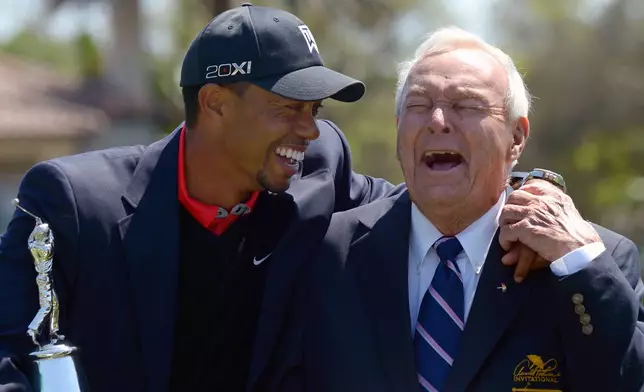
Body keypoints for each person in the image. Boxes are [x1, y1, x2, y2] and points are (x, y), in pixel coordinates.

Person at [0, 5, 566, 392]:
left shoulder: (322, 171)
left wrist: (529, 193)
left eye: (314, 111)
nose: (309, 130)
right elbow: (10, 358)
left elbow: (429, 198)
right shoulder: (74, 203)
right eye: (289, 108)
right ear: (217, 103)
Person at [277, 27, 644, 392]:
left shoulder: (588, 263)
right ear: (398, 128)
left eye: (466, 105)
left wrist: (581, 262)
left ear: (516, 137)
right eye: (419, 106)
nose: (437, 122)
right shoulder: (327, 254)